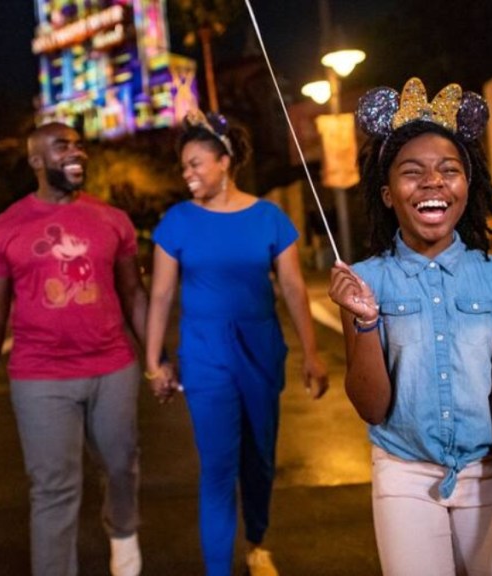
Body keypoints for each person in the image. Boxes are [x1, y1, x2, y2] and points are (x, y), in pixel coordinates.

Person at [328, 78, 492, 576]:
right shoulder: (363, 282)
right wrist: (366, 322)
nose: (433, 182)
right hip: (404, 475)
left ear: (466, 188)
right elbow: (372, 406)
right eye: (413, 173)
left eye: (449, 171)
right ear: (388, 195)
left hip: (490, 474)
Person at [0, 122, 161, 576]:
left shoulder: (112, 219)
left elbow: (134, 293)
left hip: (112, 366)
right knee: (53, 488)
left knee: (120, 464)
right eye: (62, 147)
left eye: (78, 145)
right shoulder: (3, 228)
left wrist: (159, 359)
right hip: (40, 377)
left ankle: (123, 529)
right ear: (36, 161)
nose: (76, 153)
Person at [145, 110, 330, 576]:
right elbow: (162, 294)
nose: (187, 174)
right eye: (183, 166)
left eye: (196, 163)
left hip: (261, 350)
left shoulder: (270, 217)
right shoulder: (177, 221)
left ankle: (257, 541)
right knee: (218, 467)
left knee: (260, 458)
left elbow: (292, 289)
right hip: (205, 354)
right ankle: (218, 568)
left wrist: (312, 353)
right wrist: (154, 362)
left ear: (224, 160)